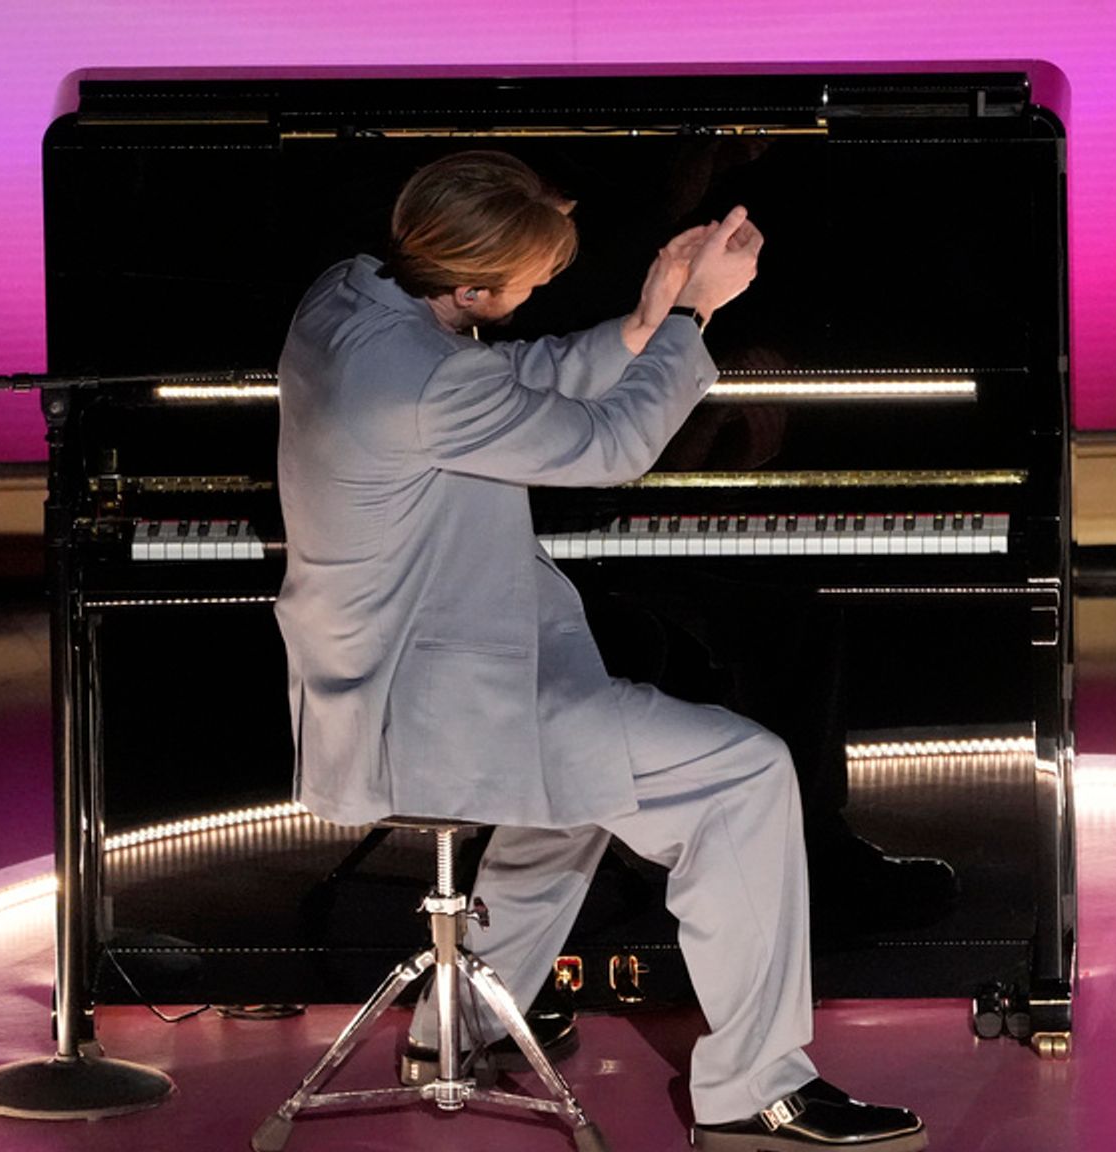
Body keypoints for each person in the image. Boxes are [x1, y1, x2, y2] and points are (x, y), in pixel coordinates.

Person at [273, 150, 926, 1151]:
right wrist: (690, 321)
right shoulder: (422, 388)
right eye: (533, 281)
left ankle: (464, 1025)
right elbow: (606, 448)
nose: (543, 292)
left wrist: (640, 317)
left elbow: (499, 376)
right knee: (746, 773)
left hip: (383, 676)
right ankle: (757, 1090)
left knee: (577, 797)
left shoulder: (351, 298)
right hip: (438, 706)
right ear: (470, 285)